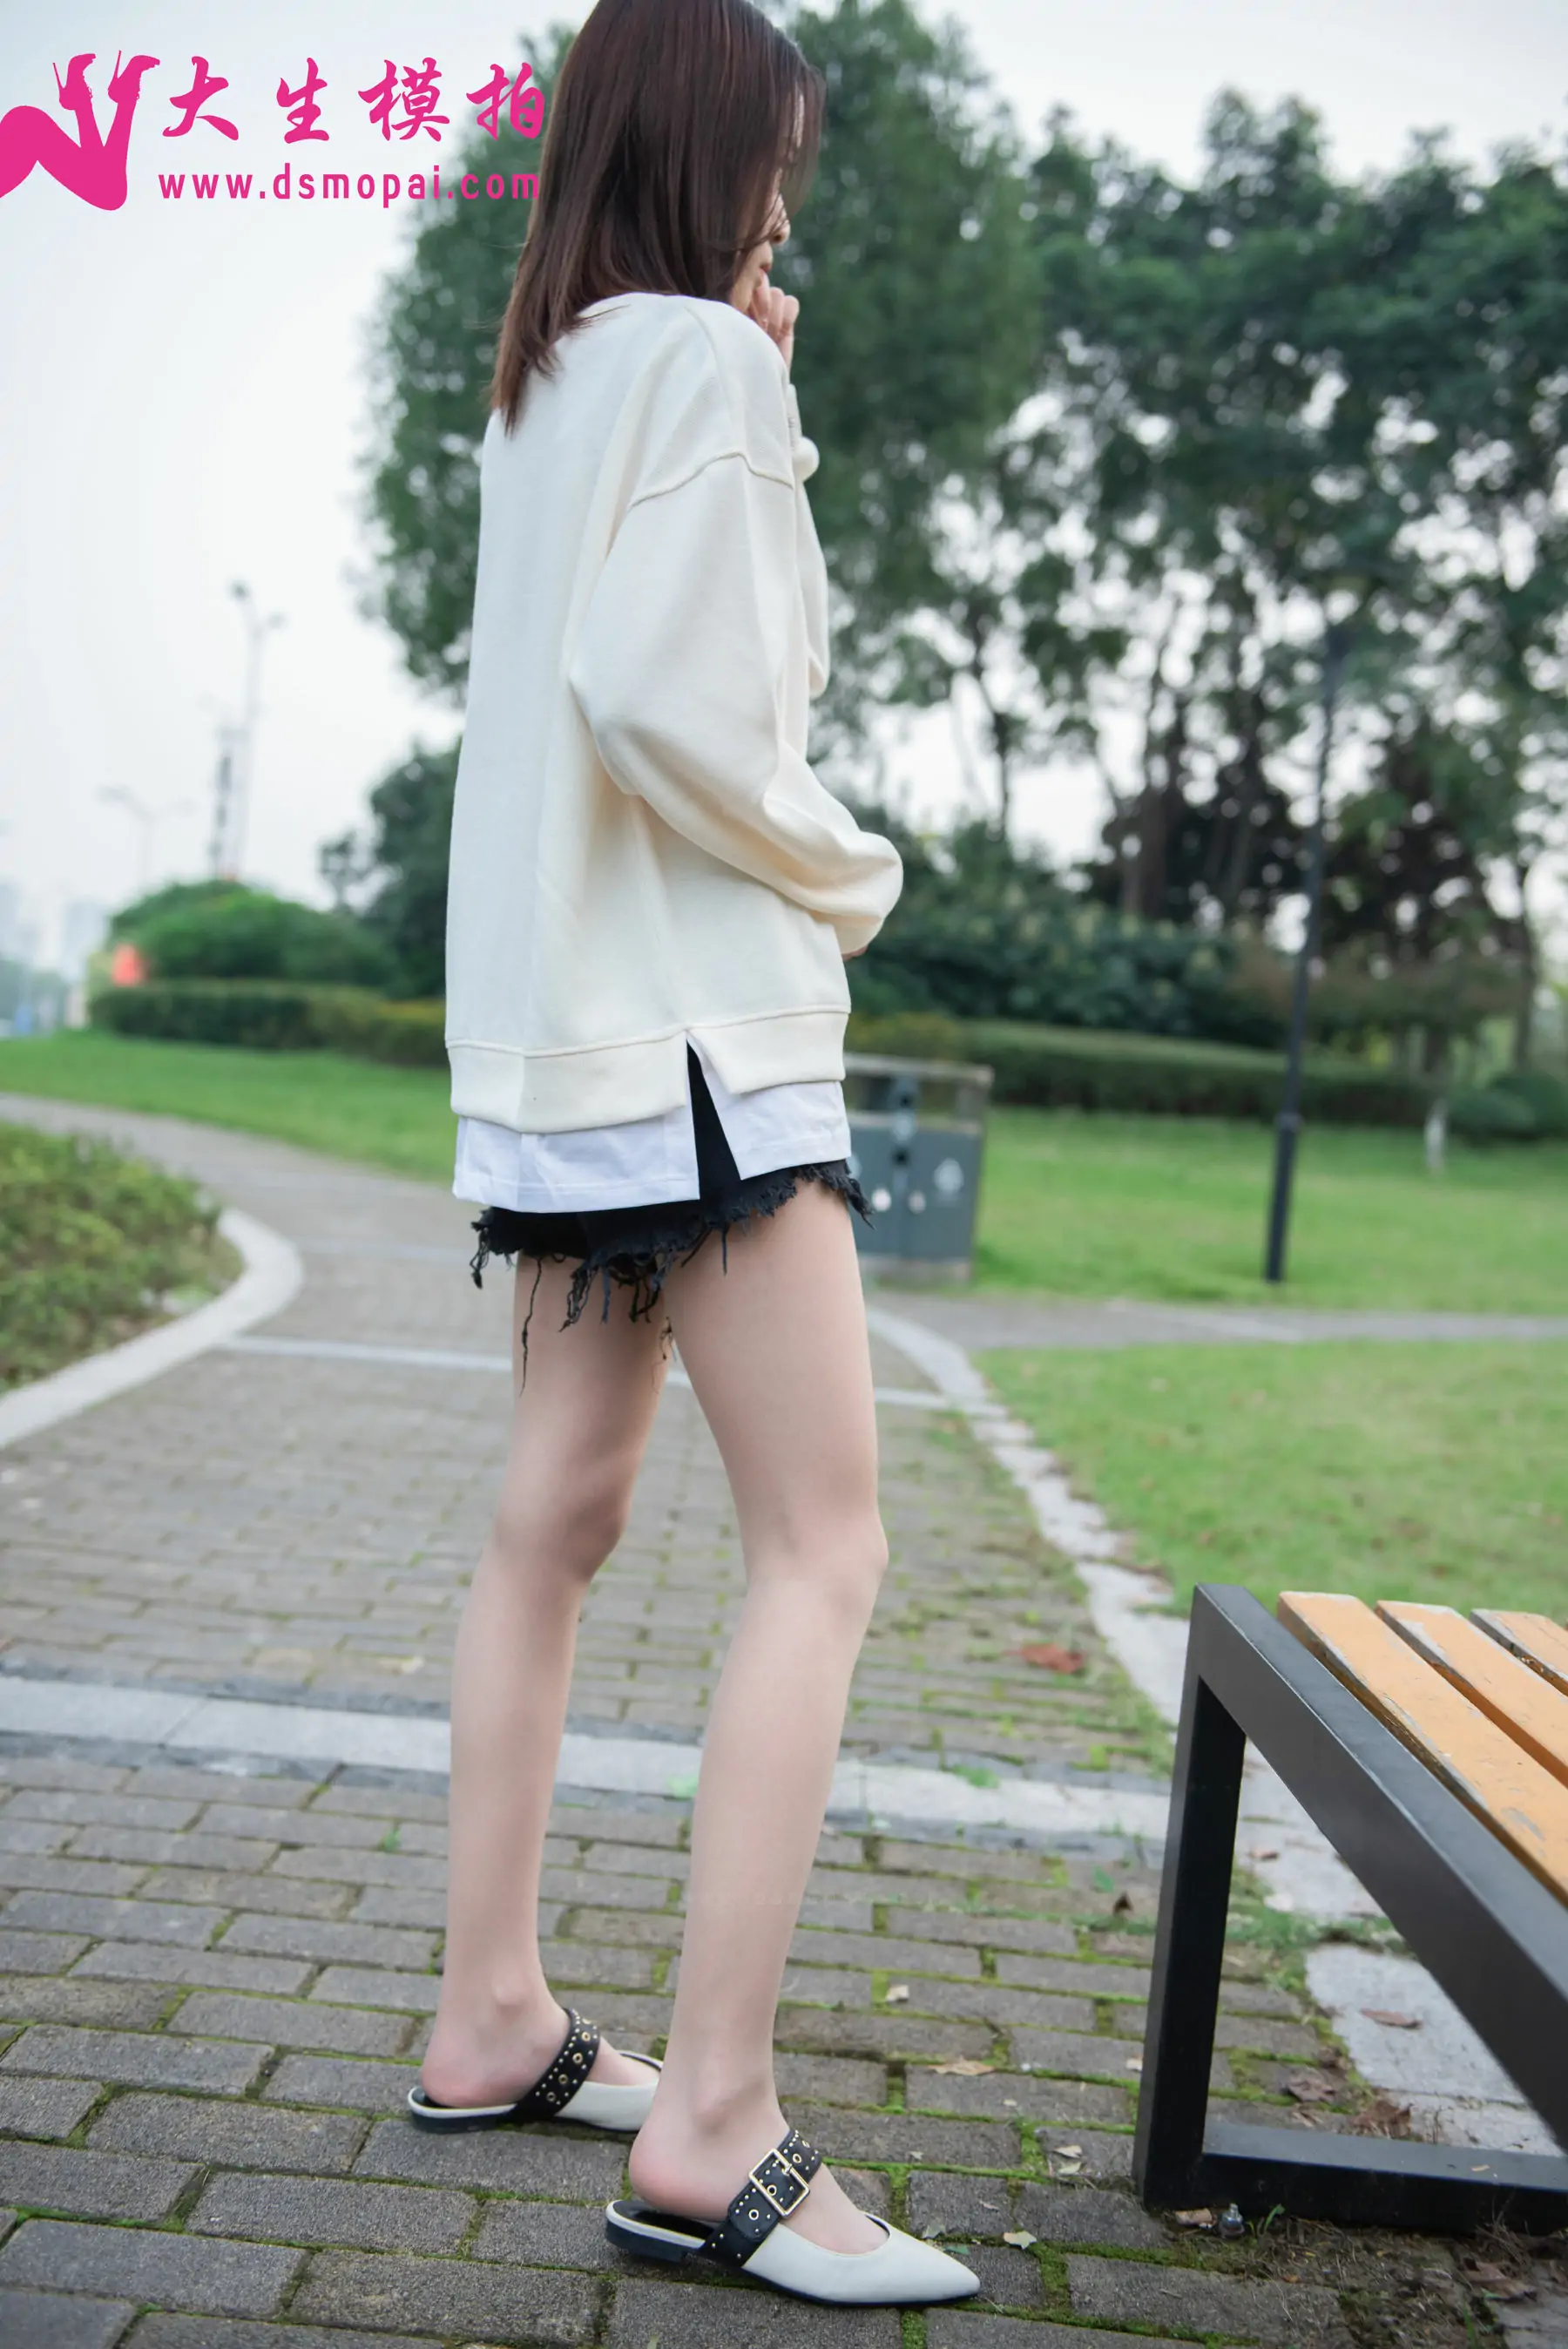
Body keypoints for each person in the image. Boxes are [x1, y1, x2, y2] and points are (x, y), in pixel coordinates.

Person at [415, 0, 979, 2310]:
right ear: (714, 156)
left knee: (550, 1522)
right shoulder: (702, 371)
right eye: (777, 172)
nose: (785, 211)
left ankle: (491, 2012)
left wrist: (770, 401)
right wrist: (850, 871)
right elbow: (699, 700)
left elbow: (578, 694)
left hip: (561, 1054)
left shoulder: (546, 382)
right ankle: (715, 2126)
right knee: (824, 1546)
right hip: (707, 1046)